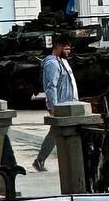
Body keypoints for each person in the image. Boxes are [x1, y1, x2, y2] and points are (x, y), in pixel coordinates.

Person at [33, 37, 78, 172]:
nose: (69, 51)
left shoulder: (63, 61)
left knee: (56, 133)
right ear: (57, 46)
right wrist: (54, 107)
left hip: (70, 104)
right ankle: (41, 160)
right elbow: (50, 86)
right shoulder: (52, 63)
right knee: (56, 133)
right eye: (66, 48)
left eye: (69, 48)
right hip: (61, 106)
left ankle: (41, 160)